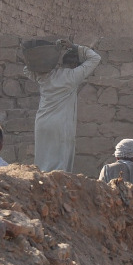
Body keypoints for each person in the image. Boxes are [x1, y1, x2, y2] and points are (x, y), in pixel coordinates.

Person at [25, 43, 101, 172]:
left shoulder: (45, 76)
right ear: (75, 65)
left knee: (42, 161)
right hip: (60, 125)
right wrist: (75, 46)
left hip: (42, 122)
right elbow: (95, 58)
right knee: (59, 164)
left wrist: (48, 59)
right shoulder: (73, 76)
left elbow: (27, 69)